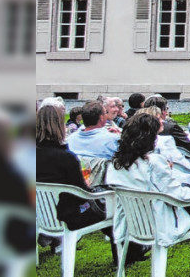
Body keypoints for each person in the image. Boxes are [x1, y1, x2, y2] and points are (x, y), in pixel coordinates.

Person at [106, 113, 190, 275]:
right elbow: (179, 194)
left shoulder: (116, 164)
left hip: (130, 223)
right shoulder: (154, 162)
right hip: (159, 223)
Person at [36, 105, 147, 264]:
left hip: (40, 215)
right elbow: (82, 192)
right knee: (114, 208)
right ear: (59, 126)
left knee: (103, 207)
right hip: (69, 215)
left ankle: (132, 252)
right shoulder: (66, 158)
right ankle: (128, 255)